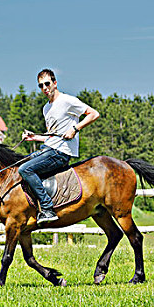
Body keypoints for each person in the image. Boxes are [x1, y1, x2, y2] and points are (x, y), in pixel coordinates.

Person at [19, 69, 100, 224]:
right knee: (21, 164)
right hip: (48, 149)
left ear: (55, 83)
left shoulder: (67, 101)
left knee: (25, 169)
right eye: (41, 85)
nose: (45, 88)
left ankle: (47, 208)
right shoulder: (46, 108)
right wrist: (34, 137)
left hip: (61, 153)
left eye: (47, 83)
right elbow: (52, 135)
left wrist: (75, 129)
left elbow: (93, 114)